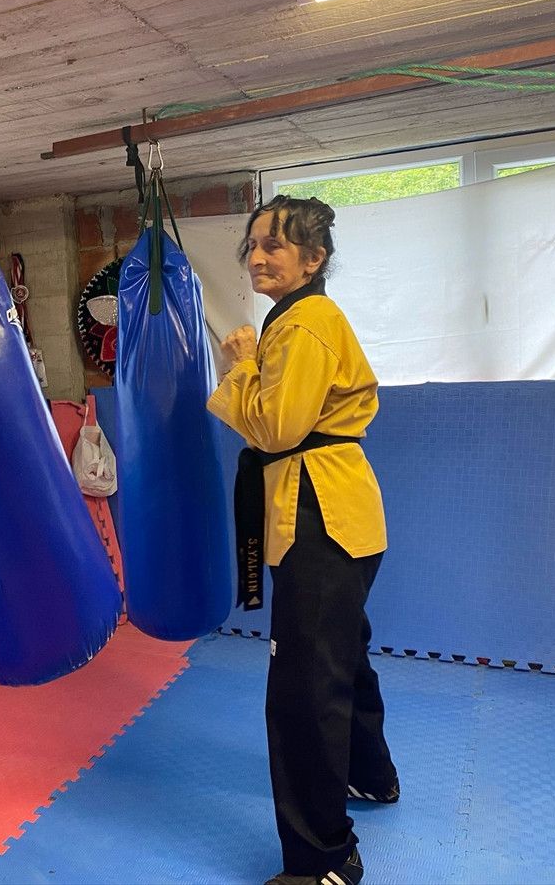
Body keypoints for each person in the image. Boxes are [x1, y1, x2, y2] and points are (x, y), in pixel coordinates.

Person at [206, 195, 398, 885]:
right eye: (253, 245)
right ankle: (370, 775)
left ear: (313, 259)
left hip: (319, 514)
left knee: (304, 686)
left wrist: (239, 365)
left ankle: (325, 858)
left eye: (275, 245)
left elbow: (278, 429)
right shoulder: (300, 318)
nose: (258, 257)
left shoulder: (304, 322)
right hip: (341, 511)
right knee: (340, 654)